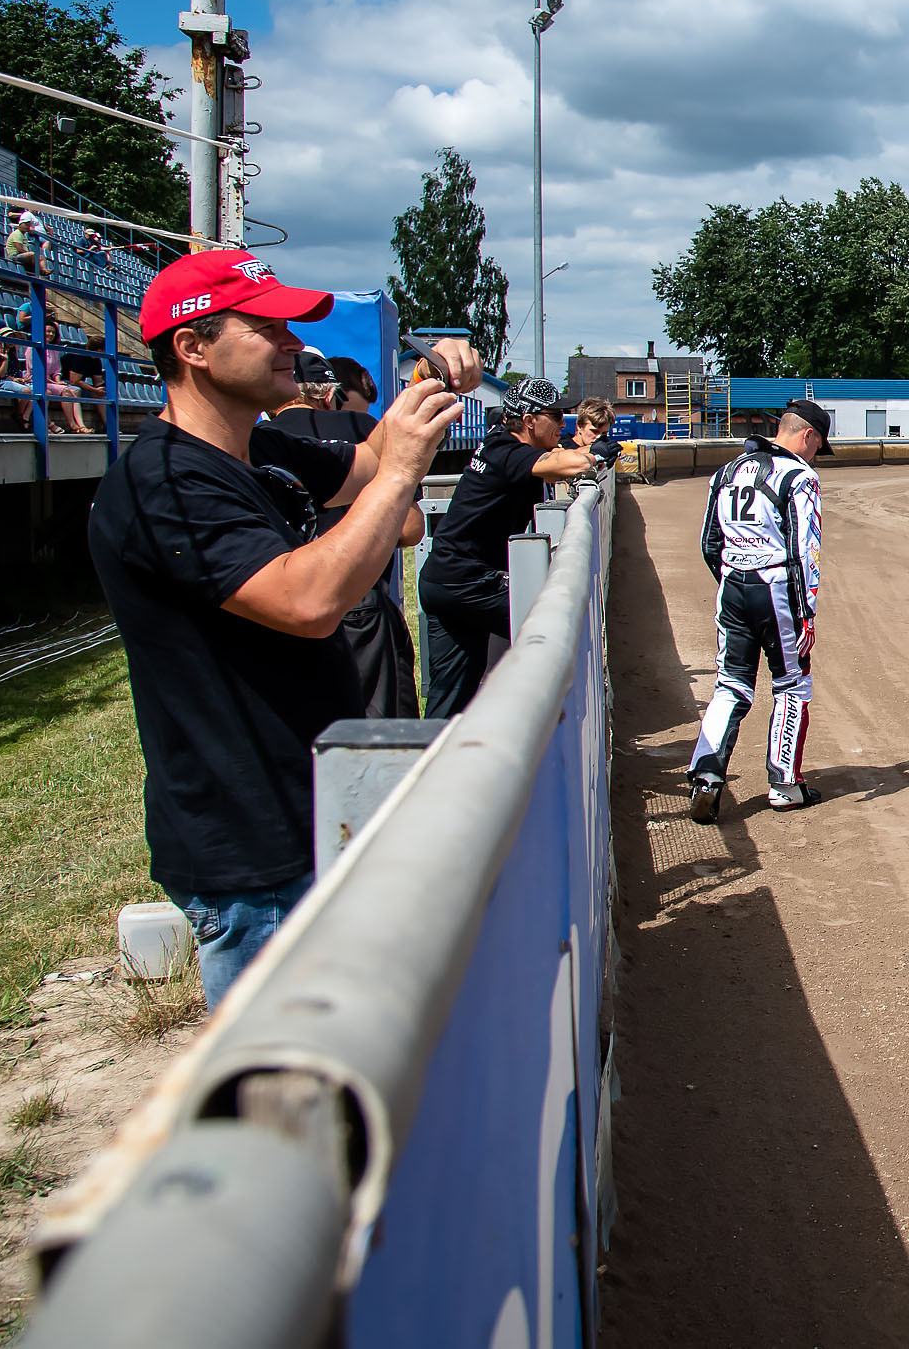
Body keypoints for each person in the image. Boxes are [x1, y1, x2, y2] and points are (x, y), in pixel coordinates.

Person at [86, 250, 476, 1005]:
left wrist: (427, 382)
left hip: (306, 812)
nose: (293, 341)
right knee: (281, 1097)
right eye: (266, 325)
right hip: (251, 851)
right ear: (193, 347)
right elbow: (307, 599)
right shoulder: (164, 481)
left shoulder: (253, 446)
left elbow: (365, 462)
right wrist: (401, 472)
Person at [417, 375, 596, 715]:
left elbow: (554, 458)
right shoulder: (509, 452)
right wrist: (597, 452)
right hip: (469, 580)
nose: (563, 422)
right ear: (529, 421)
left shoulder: (498, 443)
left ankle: (436, 758)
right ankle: (544, 727)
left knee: (452, 695)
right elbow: (568, 464)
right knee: (552, 627)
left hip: (443, 579)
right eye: (555, 416)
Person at [687, 401, 831, 821]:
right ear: (808, 436)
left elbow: (708, 542)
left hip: (732, 586)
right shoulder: (800, 476)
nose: (816, 455)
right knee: (791, 684)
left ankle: (706, 775)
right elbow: (807, 550)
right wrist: (807, 612)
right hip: (777, 590)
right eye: (819, 445)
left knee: (730, 684)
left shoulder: (726, 471)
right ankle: (784, 784)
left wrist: (733, 578)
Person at [266, 349, 424, 718]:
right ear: (325, 394)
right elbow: (410, 528)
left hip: (281, 605)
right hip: (360, 606)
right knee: (385, 737)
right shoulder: (361, 431)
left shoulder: (257, 442)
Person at [573, 395, 623, 467]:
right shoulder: (561, 446)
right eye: (594, 431)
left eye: (604, 433)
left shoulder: (606, 449)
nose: (599, 437)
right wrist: (592, 452)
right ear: (579, 426)